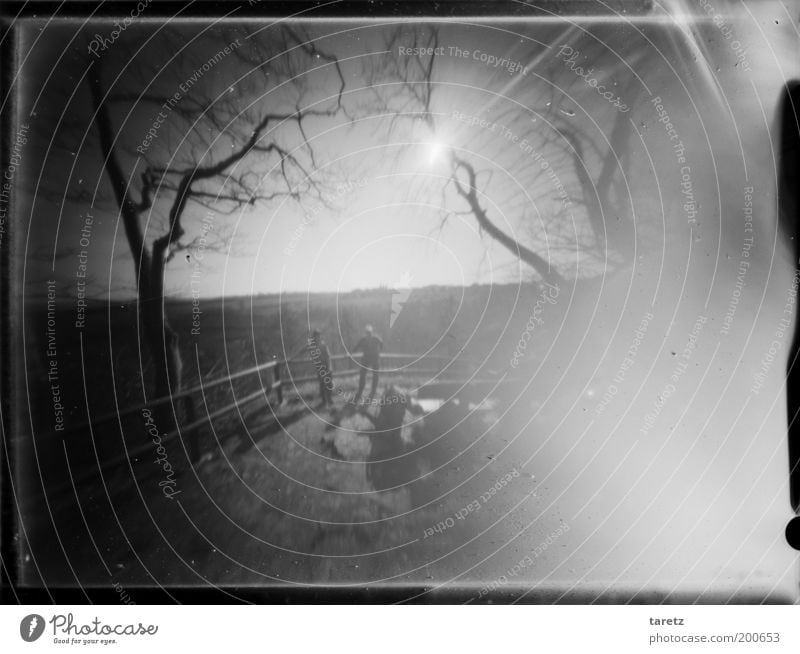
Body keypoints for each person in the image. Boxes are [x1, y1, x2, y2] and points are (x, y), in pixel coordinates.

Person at [352, 324, 383, 406]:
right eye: (367, 333)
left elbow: (381, 343)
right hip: (366, 359)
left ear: (371, 332)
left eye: (369, 333)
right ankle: (361, 388)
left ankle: (373, 389)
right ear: (366, 333)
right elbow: (356, 346)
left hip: (375, 358)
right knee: (362, 374)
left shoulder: (375, 338)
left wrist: (379, 351)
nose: (368, 334)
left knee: (375, 375)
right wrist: (352, 352)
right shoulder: (363, 340)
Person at [308, 329, 333, 406]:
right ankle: (324, 400)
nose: (317, 337)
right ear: (314, 337)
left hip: (326, 365)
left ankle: (329, 399)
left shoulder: (324, 345)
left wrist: (329, 367)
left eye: (318, 336)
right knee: (322, 384)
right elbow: (304, 350)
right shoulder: (312, 346)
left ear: (320, 336)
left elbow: (328, 356)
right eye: (316, 336)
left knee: (329, 383)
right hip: (319, 367)